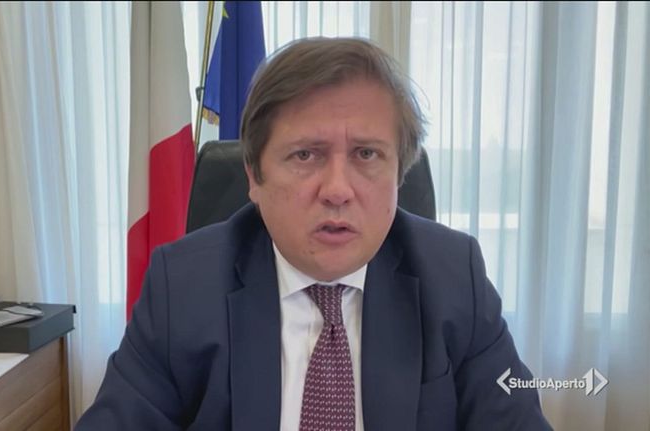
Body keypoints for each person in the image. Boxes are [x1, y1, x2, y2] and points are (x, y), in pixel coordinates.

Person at [75, 37, 552, 430]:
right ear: (254, 176)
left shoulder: (454, 279)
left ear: (399, 175)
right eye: (305, 155)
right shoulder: (183, 288)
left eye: (366, 154)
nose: (338, 190)